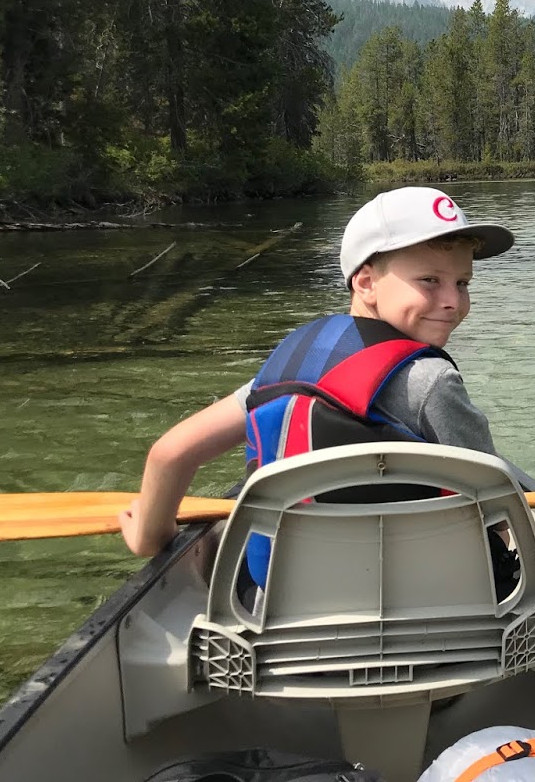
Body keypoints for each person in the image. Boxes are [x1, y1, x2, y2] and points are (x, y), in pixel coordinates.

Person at [118, 187, 514, 560]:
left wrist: (149, 539)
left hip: (276, 598)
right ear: (365, 282)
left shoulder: (287, 366)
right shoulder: (431, 383)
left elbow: (170, 454)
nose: (452, 302)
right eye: (430, 280)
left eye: (462, 283)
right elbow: (497, 504)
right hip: (428, 594)